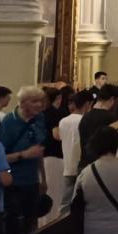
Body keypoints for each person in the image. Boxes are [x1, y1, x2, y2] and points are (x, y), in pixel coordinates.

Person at [0, 85, 47, 234]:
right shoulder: (9, 122)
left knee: (31, 223)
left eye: (40, 101)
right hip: (13, 182)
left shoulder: (39, 119)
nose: (39, 105)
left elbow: (38, 151)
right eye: (34, 101)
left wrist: (43, 178)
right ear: (23, 103)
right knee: (13, 225)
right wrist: (24, 154)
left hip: (32, 180)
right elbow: (1, 158)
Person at [59, 89, 93, 213]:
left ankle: (62, 226)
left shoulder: (63, 121)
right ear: (87, 104)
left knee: (65, 202)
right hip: (81, 165)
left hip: (67, 164)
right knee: (81, 201)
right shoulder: (86, 121)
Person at [41, 87, 66, 225]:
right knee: (55, 193)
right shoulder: (55, 114)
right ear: (58, 99)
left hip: (42, 156)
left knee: (46, 191)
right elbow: (57, 135)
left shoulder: (40, 114)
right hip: (54, 157)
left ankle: (43, 223)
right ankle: (52, 224)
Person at [79, 84, 118, 170]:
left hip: (85, 164)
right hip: (103, 167)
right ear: (112, 99)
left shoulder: (85, 117)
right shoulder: (111, 118)